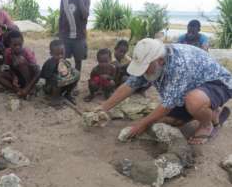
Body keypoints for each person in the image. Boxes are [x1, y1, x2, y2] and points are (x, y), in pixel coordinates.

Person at [97, 38, 232, 145]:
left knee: (194, 101)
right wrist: (103, 108)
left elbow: (167, 105)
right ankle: (212, 110)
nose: (143, 71)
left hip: (218, 83)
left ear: (160, 61)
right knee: (166, 120)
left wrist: (141, 124)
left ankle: (206, 125)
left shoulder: (179, 65)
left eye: (145, 67)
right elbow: (128, 86)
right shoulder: (153, 61)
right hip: (191, 86)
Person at [59, 0, 90, 94]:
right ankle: (64, 82)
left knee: (78, 61)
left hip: (79, 37)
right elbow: (61, 16)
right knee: (62, 60)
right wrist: (60, 35)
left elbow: (85, 15)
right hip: (65, 36)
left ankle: (75, 84)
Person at [0, 30, 41, 98]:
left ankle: (27, 89)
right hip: (17, 76)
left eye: (20, 44)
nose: (18, 47)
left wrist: (25, 62)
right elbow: (8, 67)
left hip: (29, 77)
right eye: (15, 45)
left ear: (22, 42)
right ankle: (19, 90)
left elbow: (35, 67)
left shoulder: (26, 52)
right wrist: (14, 77)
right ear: (9, 44)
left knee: (37, 70)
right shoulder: (7, 52)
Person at [41, 40, 80, 105]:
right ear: (51, 54)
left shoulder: (65, 62)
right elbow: (45, 76)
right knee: (56, 79)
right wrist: (56, 72)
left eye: (62, 53)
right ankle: (55, 98)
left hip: (63, 85)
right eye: (57, 54)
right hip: (51, 88)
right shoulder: (49, 63)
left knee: (76, 74)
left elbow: (69, 71)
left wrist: (71, 73)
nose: (60, 56)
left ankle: (68, 94)